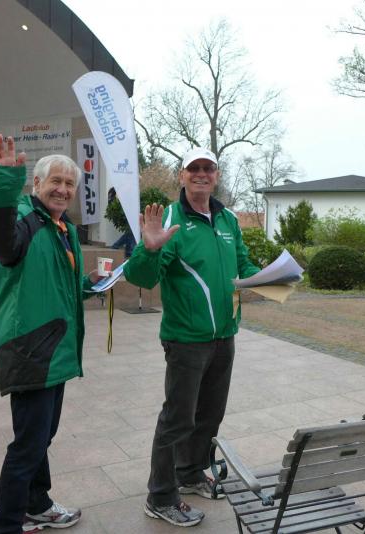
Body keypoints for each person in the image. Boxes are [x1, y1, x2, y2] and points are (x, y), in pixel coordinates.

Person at [123, 147, 261, 527]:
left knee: (209, 415)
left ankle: (190, 472)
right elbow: (142, 277)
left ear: (216, 175)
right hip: (186, 339)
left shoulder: (228, 219)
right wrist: (148, 249)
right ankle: (160, 496)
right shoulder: (171, 219)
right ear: (181, 175)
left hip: (224, 335)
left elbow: (243, 264)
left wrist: (272, 276)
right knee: (177, 419)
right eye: (193, 168)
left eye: (208, 168)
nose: (201, 174)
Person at [0, 135, 97, 534]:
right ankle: (7, 524)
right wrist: (3, 184)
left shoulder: (62, 228)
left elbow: (58, 284)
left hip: (55, 350)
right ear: (37, 184)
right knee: (28, 446)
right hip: (30, 350)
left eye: (69, 184)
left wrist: (89, 284)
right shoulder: (26, 219)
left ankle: (37, 504)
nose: (63, 189)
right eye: (55, 181)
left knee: (41, 437)